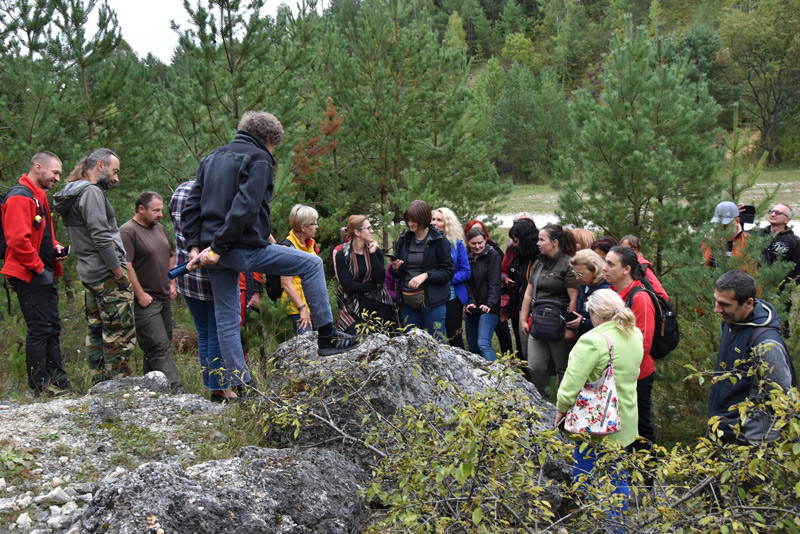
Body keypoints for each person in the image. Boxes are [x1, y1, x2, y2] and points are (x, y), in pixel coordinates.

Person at [182, 111, 358, 391]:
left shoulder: (210, 158)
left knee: (226, 318)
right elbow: (246, 207)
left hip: (211, 253)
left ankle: (243, 386)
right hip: (238, 248)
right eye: (273, 146)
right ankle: (327, 337)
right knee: (311, 264)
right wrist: (219, 246)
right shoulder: (259, 157)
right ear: (267, 138)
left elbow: (191, 207)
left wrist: (195, 247)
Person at [555, 289, 644, 523]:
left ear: (594, 314)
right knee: (617, 477)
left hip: (595, 422)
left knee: (583, 474)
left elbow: (571, 382)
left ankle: (584, 522)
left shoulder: (593, 341)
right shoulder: (634, 333)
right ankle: (617, 525)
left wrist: (561, 408)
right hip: (623, 420)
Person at [53, 148, 136, 383]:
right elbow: (101, 236)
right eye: (115, 171)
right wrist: (119, 272)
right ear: (100, 166)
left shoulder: (72, 192)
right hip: (107, 274)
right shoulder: (90, 193)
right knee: (119, 331)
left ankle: (99, 383)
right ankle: (117, 384)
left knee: (96, 329)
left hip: (89, 272)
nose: (116, 178)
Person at [1, 152, 70, 396]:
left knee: (52, 325)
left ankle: (58, 378)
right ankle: (40, 385)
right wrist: (38, 267)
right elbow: (18, 240)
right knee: (40, 328)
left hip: (43, 271)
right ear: (38, 167)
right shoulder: (21, 197)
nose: (58, 178)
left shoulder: (38, 197)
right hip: (29, 273)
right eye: (55, 172)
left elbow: (39, 234)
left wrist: (55, 247)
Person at [169, 181, 237, 403]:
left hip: (186, 274)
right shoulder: (213, 195)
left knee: (204, 331)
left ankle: (213, 384)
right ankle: (220, 389)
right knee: (217, 330)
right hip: (209, 272)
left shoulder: (179, 191)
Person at [710, 270, 795, 443]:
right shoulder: (731, 321)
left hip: (748, 440)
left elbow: (782, 398)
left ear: (748, 303)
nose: (716, 309)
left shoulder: (765, 343)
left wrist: (758, 440)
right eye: (717, 300)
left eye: (724, 304)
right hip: (724, 429)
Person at [120, 191, 183, 393]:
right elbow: (126, 266)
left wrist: (172, 284)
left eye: (161, 210)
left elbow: (170, 256)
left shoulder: (160, 228)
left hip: (163, 296)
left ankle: (151, 391)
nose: (160, 215)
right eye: (155, 210)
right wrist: (140, 294)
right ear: (141, 209)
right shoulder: (128, 232)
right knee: (158, 347)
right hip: (145, 301)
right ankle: (177, 392)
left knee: (156, 348)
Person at [603, 245, 656, 448]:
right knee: (621, 425)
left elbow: (644, 344)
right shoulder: (613, 292)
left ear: (627, 269)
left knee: (641, 427)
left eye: (610, 264)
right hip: (619, 372)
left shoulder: (640, 298)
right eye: (605, 263)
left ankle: (647, 476)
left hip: (637, 374)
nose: (604, 268)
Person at [520, 224, 578, 395]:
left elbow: (574, 298)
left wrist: (569, 327)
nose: (538, 243)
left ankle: (563, 403)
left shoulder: (569, 265)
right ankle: (541, 399)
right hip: (537, 323)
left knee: (562, 368)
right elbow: (528, 295)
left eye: (541, 239)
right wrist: (523, 319)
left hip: (559, 326)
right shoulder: (538, 264)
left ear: (554, 242)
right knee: (535, 367)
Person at [390, 200, 455, 342]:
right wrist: (395, 268)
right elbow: (398, 273)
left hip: (432, 302)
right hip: (407, 301)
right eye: (408, 220)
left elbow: (448, 272)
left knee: (438, 345)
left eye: (414, 221)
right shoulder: (404, 239)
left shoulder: (439, 241)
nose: (410, 224)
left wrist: (426, 275)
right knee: (411, 344)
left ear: (423, 219)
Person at [335, 215, 397, 334]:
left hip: (379, 301)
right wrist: (373, 286)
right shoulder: (342, 254)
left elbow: (380, 279)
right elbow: (348, 286)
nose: (372, 231)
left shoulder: (375, 250)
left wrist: (372, 254)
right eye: (368, 228)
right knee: (357, 341)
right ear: (357, 232)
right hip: (353, 305)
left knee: (381, 340)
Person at [464, 219, 514, 356]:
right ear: (468, 242)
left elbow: (494, 283)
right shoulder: (466, 257)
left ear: (485, 240)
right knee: (473, 347)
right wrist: (470, 302)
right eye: (473, 243)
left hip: (489, 306)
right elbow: (466, 282)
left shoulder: (493, 255)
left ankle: (494, 376)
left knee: (483, 343)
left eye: (480, 243)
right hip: (473, 306)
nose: (477, 246)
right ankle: (480, 376)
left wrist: (490, 304)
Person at [432, 207, 470, 348]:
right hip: (433, 297)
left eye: (439, 220)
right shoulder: (428, 243)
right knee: (435, 337)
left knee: (455, 338)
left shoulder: (457, 244)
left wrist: (446, 278)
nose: (434, 223)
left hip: (452, 298)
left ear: (447, 224)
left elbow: (466, 271)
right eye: (433, 219)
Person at [760, 203, 800, 337]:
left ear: (787, 220)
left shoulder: (793, 241)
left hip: (780, 292)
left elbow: (798, 269)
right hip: (756, 288)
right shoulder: (757, 235)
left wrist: (786, 289)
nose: (773, 214)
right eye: (771, 211)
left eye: (778, 213)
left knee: (781, 327)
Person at [502, 217, 539, 360]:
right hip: (522, 305)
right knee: (523, 348)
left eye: (516, 241)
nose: (514, 245)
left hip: (537, 308)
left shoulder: (539, 259)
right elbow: (519, 285)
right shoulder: (520, 255)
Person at [280, 204, 321, 334]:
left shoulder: (311, 244)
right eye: (314, 223)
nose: (317, 226)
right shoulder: (287, 248)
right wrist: (302, 308)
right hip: (298, 309)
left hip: (313, 306)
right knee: (307, 348)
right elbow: (286, 283)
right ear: (303, 227)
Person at [568, 249, 612, 338]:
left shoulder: (606, 290)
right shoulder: (583, 285)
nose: (577, 278)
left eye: (580, 274)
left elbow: (607, 323)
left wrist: (583, 322)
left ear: (595, 270)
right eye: (575, 273)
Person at [702, 201, 753, 271]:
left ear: (737, 221)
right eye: (718, 223)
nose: (721, 227)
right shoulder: (707, 241)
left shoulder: (748, 243)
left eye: (725, 224)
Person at [618, 235, 669, 301]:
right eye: (622, 249)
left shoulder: (643, 267)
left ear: (637, 250)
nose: (624, 252)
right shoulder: (625, 267)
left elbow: (662, 295)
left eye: (630, 249)